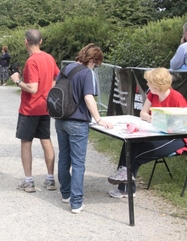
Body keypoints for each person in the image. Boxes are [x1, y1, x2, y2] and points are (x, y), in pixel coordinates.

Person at [108, 67, 187, 198]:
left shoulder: (176, 98)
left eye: (149, 82)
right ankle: (123, 184)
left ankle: (127, 188)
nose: (147, 84)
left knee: (136, 158)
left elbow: (183, 122)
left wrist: (162, 122)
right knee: (129, 143)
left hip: (176, 139)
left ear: (157, 84)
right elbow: (143, 113)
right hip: (155, 133)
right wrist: (154, 119)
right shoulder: (153, 94)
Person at [55, 43, 113, 214]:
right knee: (78, 163)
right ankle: (76, 202)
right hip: (78, 122)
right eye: (96, 63)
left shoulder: (66, 68)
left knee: (64, 158)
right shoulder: (87, 73)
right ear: (93, 60)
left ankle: (65, 193)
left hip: (61, 120)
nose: (95, 67)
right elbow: (88, 98)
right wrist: (99, 119)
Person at [10, 29, 60, 193]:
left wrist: (17, 81)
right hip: (45, 107)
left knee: (26, 142)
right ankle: (50, 178)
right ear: (41, 41)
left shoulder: (32, 61)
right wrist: (46, 93)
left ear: (26, 41)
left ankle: (29, 180)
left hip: (29, 108)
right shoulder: (49, 58)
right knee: (46, 140)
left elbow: (32, 88)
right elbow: (57, 78)